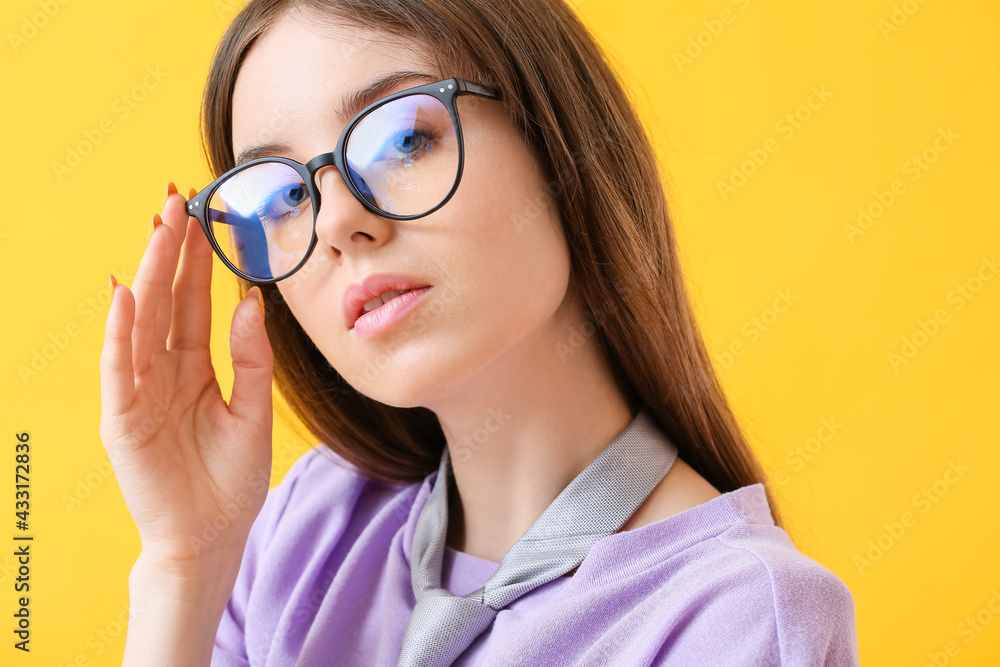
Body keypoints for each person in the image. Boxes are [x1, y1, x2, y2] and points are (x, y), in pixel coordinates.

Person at [100, 0, 860, 664]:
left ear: (554, 135)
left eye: (402, 138)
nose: (336, 222)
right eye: (284, 196)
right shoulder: (308, 527)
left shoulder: (738, 617)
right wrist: (183, 570)